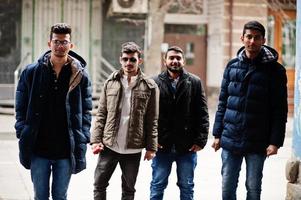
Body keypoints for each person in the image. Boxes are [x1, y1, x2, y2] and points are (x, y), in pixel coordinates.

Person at [14, 23, 92, 200]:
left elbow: (87, 110)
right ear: (49, 43)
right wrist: (22, 129)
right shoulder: (31, 72)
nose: (60, 46)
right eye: (56, 41)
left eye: (64, 42)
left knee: (60, 196)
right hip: (38, 147)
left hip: (66, 149)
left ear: (71, 46)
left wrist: (84, 134)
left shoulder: (79, 74)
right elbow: (21, 105)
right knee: (40, 196)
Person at [211, 20, 288, 200]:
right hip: (230, 138)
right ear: (242, 38)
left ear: (263, 40)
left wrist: (275, 142)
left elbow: (280, 110)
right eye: (249, 37)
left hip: (258, 141)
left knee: (253, 189)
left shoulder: (276, 71)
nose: (252, 41)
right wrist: (217, 135)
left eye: (256, 37)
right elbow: (223, 102)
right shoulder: (231, 66)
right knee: (227, 187)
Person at [91, 41, 159, 200]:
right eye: (126, 59)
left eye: (133, 59)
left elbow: (152, 119)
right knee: (99, 184)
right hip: (109, 145)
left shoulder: (150, 86)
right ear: (120, 59)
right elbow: (101, 113)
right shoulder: (111, 82)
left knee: (129, 189)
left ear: (139, 61)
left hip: (133, 148)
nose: (129, 63)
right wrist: (95, 140)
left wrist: (151, 147)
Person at [150, 46, 209, 200]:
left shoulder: (194, 82)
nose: (175, 61)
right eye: (171, 58)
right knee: (157, 185)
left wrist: (200, 141)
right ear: (165, 61)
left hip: (187, 146)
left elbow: (202, 113)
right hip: (162, 146)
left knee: (187, 186)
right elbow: (148, 115)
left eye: (178, 58)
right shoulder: (154, 82)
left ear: (183, 61)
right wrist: (153, 140)